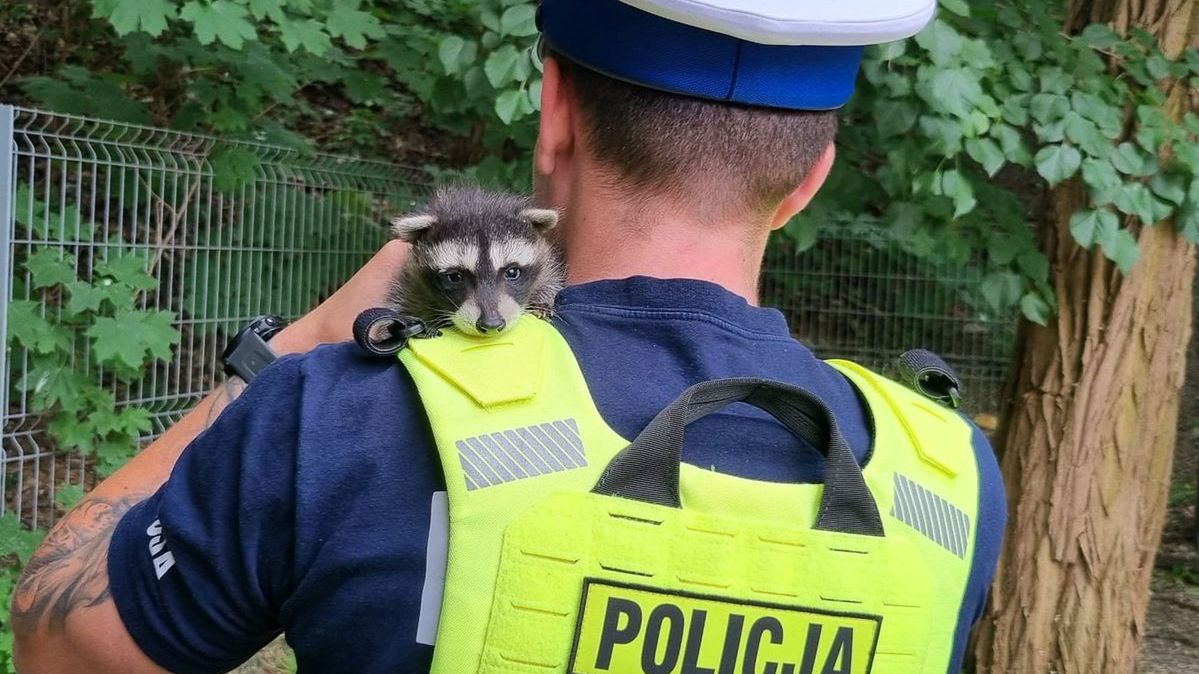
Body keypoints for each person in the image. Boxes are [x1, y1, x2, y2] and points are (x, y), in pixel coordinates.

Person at [11, 1, 1006, 672]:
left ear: (553, 116)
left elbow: (60, 638)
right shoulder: (946, 484)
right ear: (808, 179)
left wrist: (308, 336)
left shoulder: (344, 412)